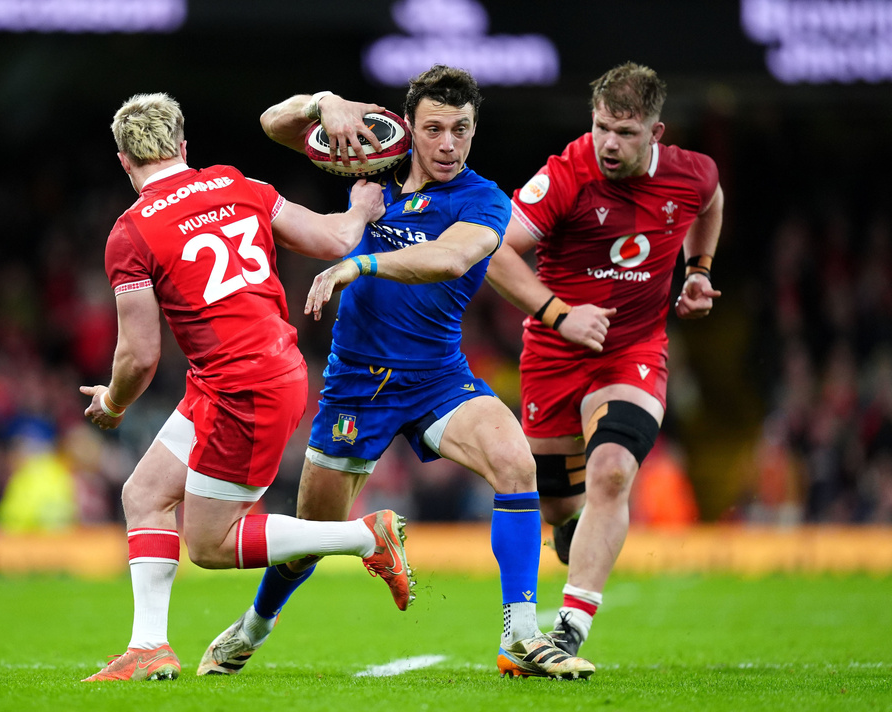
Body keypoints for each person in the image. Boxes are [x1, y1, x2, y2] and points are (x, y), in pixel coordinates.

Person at [202, 65, 594, 680]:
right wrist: (323, 103)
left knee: (515, 461)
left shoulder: (483, 199)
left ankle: (520, 635)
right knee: (312, 533)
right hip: (357, 385)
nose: (447, 144)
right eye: (434, 128)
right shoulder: (373, 165)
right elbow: (271, 127)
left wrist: (361, 267)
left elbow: (452, 257)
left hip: (438, 377)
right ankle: (254, 626)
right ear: (409, 125)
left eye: (461, 130)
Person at [80, 92, 415, 682]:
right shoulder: (240, 184)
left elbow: (138, 356)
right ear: (184, 146)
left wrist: (111, 402)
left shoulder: (130, 233)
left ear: (124, 162)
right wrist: (362, 208)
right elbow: (336, 240)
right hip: (249, 372)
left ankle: (364, 537)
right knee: (145, 494)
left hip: (242, 387)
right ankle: (148, 647)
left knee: (208, 546)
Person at [484, 62, 724, 659]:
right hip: (554, 355)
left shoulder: (691, 175)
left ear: (656, 133)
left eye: (625, 132)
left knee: (613, 469)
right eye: (600, 128)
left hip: (634, 350)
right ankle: (572, 534)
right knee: (559, 509)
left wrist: (699, 272)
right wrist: (562, 313)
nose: (609, 144)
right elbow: (495, 255)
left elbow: (712, 201)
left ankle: (570, 623)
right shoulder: (567, 175)